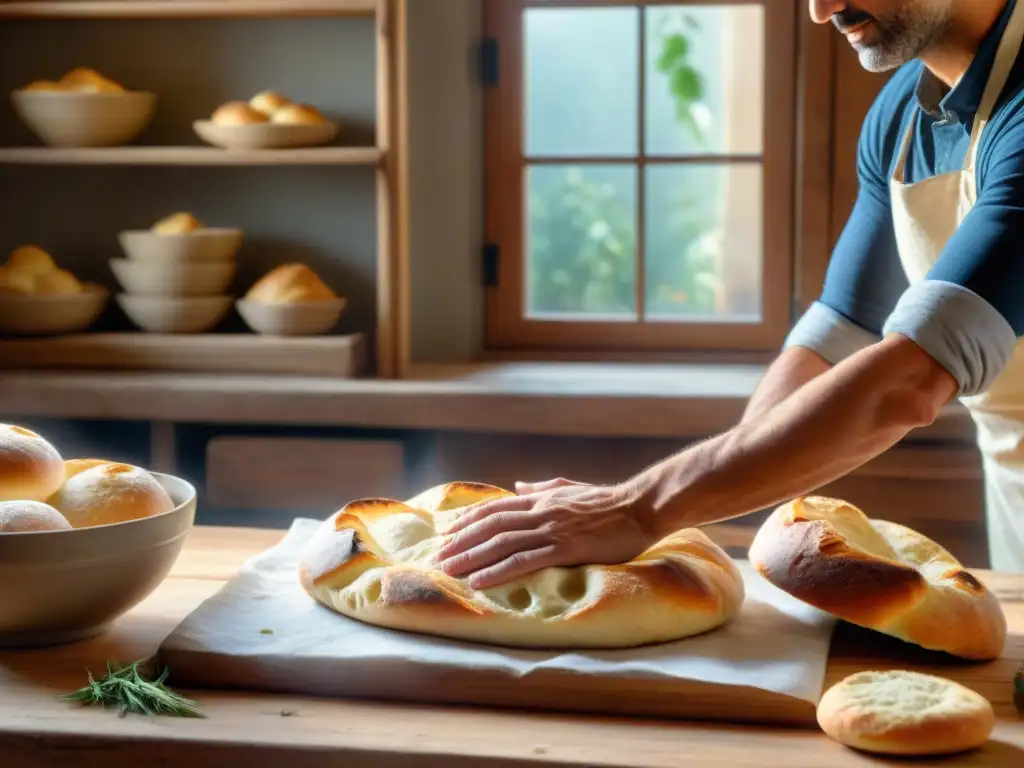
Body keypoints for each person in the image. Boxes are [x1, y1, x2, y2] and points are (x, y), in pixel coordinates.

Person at [438, 0, 1024, 588]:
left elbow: (912, 377)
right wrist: (680, 515)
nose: (822, 11)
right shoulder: (902, 116)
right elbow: (837, 333)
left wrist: (638, 508)